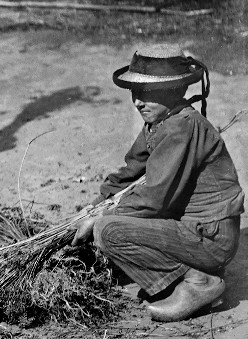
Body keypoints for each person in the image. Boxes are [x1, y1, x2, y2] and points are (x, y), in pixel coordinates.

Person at [73, 45, 243, 322]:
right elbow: (130, 172)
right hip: (192, 230)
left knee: (108, 232)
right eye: (135, 93)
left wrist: (101, 217)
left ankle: (199, 281)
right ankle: (185, 273)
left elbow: (155, 198)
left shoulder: (182, 126)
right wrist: (93, 206)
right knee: (105, 223)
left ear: (175, 91)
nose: (138, 102)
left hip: (210, 236)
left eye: (147, 94)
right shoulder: (160, 122)